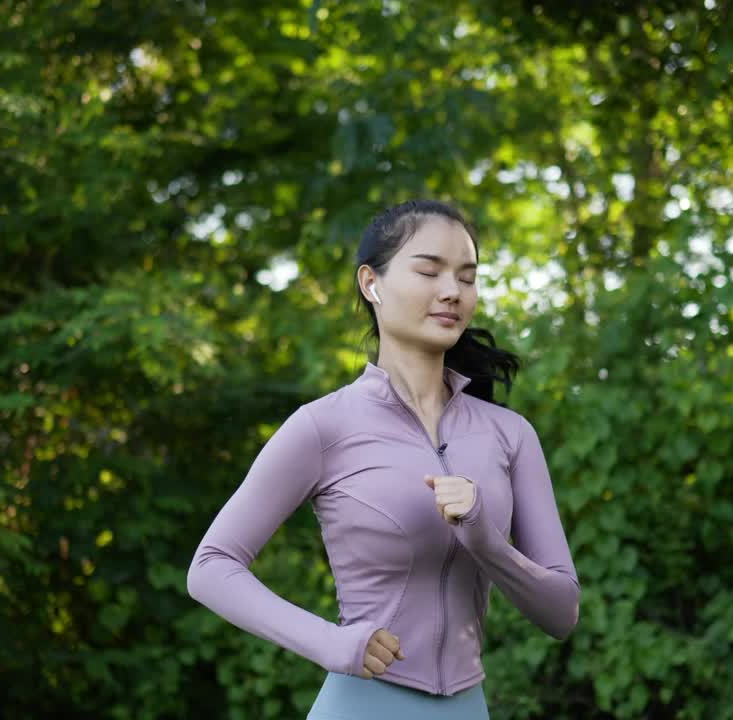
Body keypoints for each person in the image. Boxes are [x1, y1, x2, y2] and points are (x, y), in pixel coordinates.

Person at [186, 199, 580, 719]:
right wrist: (332, 643)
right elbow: (211, 567)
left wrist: (486, 540)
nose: (451, 292)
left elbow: (561, 612)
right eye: (429, 271)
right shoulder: (324, 426)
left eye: (467, 278)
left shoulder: (510, 434)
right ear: (371, 284)